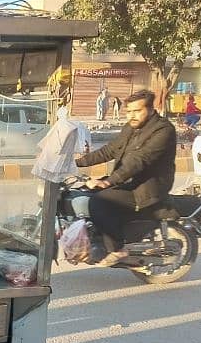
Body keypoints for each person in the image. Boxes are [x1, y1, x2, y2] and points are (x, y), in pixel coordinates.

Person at [75, 89, 177, 266]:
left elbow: (139, 160)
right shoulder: (131, 127)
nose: (132, 115)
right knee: (85, 192)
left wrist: (108, 181)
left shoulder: (163, 130)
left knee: (99, 201)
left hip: (147, 187)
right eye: (129, 111)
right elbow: (111, 149)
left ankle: (117, 249)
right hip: (131, 181)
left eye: (137, 111)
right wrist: (78, 162)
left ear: (150, 110)